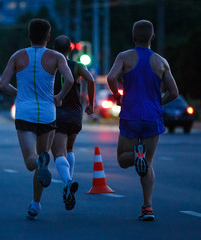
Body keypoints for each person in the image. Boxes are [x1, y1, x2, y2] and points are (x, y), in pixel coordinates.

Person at [0, 19, 74, 220]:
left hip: (25, 113)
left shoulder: (17, 56)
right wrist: (59, 97)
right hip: (48, 114)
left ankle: (38, 166)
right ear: (48, 37)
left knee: (31, 161)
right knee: (43, 158)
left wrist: (19, 93)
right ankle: (35, 204)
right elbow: (70, 79)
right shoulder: (57, 57)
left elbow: (2, 85)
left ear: (29, 35)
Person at [107, 20, 179, 221]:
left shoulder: (124, 57)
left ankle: (135, 157)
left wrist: (118, 96)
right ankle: (147, 208)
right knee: (147, 163)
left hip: (130, 116)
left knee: (122, 159)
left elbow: (112, 78)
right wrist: (159, 103)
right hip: (152, 117)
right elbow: (174, 92)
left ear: (133, 37)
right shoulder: (161, 62)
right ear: (152, 37)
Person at [51, 35, 95, 210]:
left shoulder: (50, 66)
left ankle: (68, 182)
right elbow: (91, 79)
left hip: (57, 112)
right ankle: (67, 184)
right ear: (70, 49)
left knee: (58, 153)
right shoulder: (77, 66)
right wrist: (91, 104)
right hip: (75, 113)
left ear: (54, 49)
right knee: (69, 148)